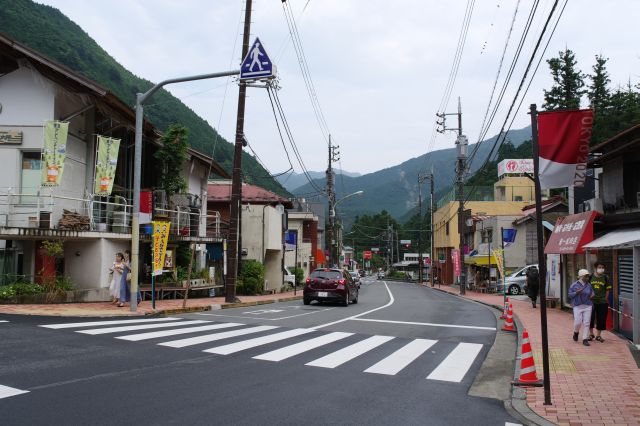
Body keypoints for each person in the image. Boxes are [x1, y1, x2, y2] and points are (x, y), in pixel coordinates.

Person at [568, 269, 594, 346]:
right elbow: (569, 295)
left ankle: (585, 339)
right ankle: (576, 332)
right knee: (578, 322)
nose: (587, 278)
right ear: (581, 276)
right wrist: (576, 292)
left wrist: (592, 295)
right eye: (586, 276)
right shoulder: (574, 285)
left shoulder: (588, 285)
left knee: (586, 323)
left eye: (588, 276)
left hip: (588, 305)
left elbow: (592, 292)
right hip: (577, 306)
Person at [588, 262, 611, 342]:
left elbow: (608, 289)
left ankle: (598, 335)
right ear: (595, 268)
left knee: (601, 318)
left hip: (602, 302)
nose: (601, 269)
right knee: (590, 318)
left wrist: (605, 298)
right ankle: (591, 334)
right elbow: (586, 288)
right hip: (591, 301)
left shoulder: (605, 277)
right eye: (599, 267)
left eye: (602, 267)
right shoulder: (590, 277)